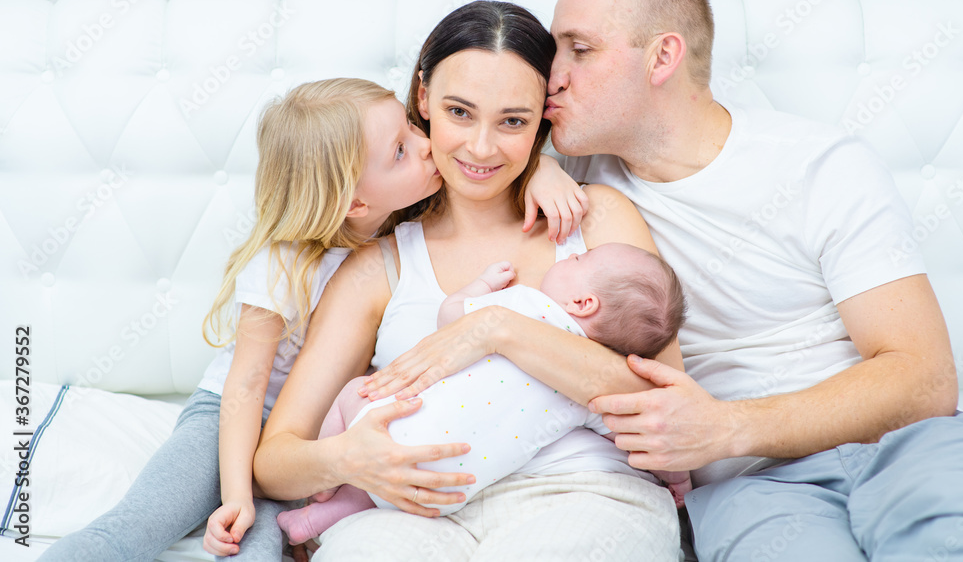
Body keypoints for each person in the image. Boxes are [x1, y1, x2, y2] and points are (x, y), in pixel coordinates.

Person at [534, 0, 963, 560]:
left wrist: (727, 427)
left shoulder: (817, 164)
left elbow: (925, 377)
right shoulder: (570, 185)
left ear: (662, 56)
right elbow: (427, 150)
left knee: (947, 543)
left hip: (905, 445)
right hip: (753, 488)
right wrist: (528, 167)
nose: (552, 75)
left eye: (580, 49)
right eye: (553, 51)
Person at [38, 78, 582, 562]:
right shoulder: (283, 264)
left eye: (412, 128)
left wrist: (545, 169)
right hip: (232, 424)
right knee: (141, 526)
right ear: (354, 203)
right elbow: (245, 386)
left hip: (316, 437)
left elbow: (489, 174)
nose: (427, 144)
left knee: (267, 545)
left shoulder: (400, 229)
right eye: (401, 149)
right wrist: (236, 494)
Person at [254, 0, 683, 562]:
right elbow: (273, 462)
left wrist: (498, 330)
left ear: (541, 121)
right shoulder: (379, 268)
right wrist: (347, 459)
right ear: (424, 97)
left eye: (512, 121)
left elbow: (670, 409)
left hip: (580, 493)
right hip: (412, 507)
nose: (482, 148)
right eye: (459, 112)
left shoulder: (594, 219)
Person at [276, 244, 690, 545]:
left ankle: (326, 494)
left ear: (582, 302)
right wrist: (679, 478)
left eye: (578, 259)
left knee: (355, 391)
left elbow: (451, 316)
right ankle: (322, 513)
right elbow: (642, 424)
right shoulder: (588, 392)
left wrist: (481, 287)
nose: (568, 257)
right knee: (387, 501)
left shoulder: (528, 305)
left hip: (390, 448)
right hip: (446, 493)